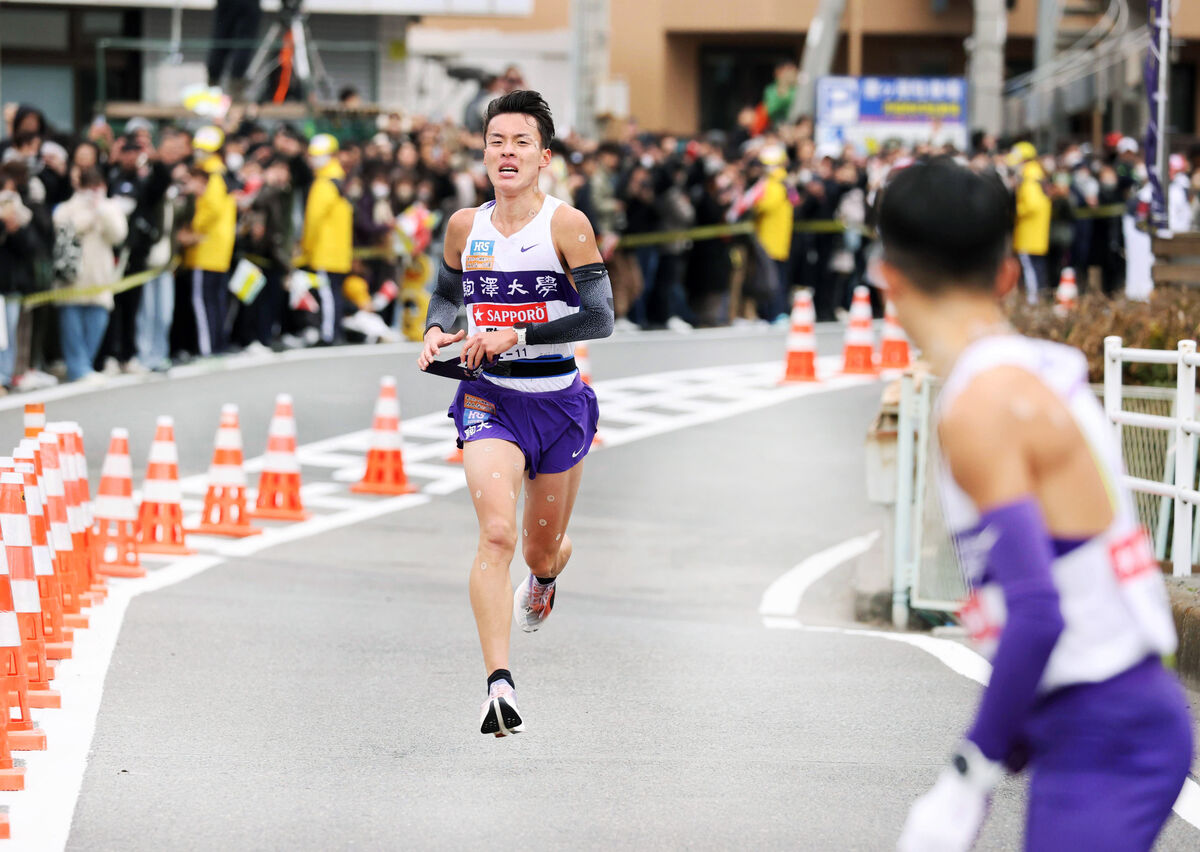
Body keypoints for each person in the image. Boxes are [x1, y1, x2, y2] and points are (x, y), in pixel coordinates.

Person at [878, 159, 1192, 852]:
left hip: (1103, 726)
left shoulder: (981, 405)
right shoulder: (1035, 367)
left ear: (888, 277)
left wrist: (967, 774)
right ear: (1009, 273)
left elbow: (1038, 610)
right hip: (1113, 714)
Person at [417, 90, 613, 737]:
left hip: (557, 401)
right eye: (496, 140)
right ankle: (498, 686)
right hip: (489, 398)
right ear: (483, 152)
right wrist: (436, 329)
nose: (507, 151)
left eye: (520, 142)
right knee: (497, 536)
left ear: (543, 157)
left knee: (538, 547)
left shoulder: (566, 225)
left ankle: (550, 571)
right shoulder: (462, 226)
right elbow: (446, 291)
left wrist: (517, 333)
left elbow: (600, 317)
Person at [52, 167, 127, 383]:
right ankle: (78, 369)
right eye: (90, 187)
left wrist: (101, 210)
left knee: (96, 324)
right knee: (72, 329)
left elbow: (118, 234)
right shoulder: (68, 207)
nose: (94, 191)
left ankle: (86, 365)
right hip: (72, 279)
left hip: (100, 278)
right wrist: (89, 212)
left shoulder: (110, 206)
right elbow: (65, 225)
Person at [180, 125, 237, 358]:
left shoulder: (212, 175)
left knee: (203, 301)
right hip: (218, 247)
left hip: (206, 247)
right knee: (216, 300)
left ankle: (207, 347)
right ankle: (217, 344)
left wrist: (192, 228)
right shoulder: (222, 174)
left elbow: (210, 209)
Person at [299, 133, 353, 345]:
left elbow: (313, 222)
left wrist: (306, 249)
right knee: (333, 293)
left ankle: (329, 334)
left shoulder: (323, 184)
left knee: (328, 295)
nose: (313, 159)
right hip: (338, 251)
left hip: (324, 251)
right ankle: (332, 331)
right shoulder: (339, 181)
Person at [1009, 141, 1051, 304]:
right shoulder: (1038, 176)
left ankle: (1033, 301)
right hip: (1036, 232)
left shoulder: (1029, 178)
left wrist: (1016, 211)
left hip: (1028, 232)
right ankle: (1037, 298)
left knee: (1030, 269)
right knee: (1037, 267)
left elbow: (1031, 205)